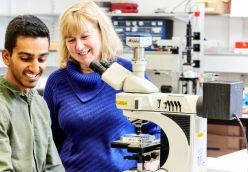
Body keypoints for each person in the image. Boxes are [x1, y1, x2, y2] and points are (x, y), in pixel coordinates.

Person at [43, 1, 160, 171]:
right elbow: (49, 141)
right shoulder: (56, 82)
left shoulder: (131, 74)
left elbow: (154, 129)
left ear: (101, 32)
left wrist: (150, 165)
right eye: (71, 39)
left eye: (84, 37)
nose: (79, 46)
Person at [0, 15, 65, 172]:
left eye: (41, 59)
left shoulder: (39, 103)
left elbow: (53, 166)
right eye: (26, 58)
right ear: (6, 57)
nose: (35, 68)